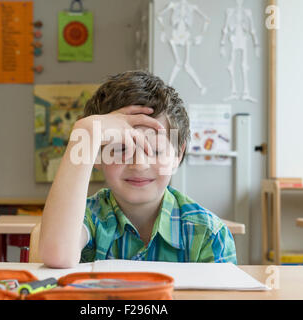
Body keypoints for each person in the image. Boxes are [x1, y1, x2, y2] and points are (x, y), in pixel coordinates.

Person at [39, 70, 237, 268]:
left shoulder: (208, 234)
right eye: (121, 148)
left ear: (178, 155)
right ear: (97, 155)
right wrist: (88, 132)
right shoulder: (83, 219)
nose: (139, 164)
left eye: (156, 150)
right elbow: (58, 254)